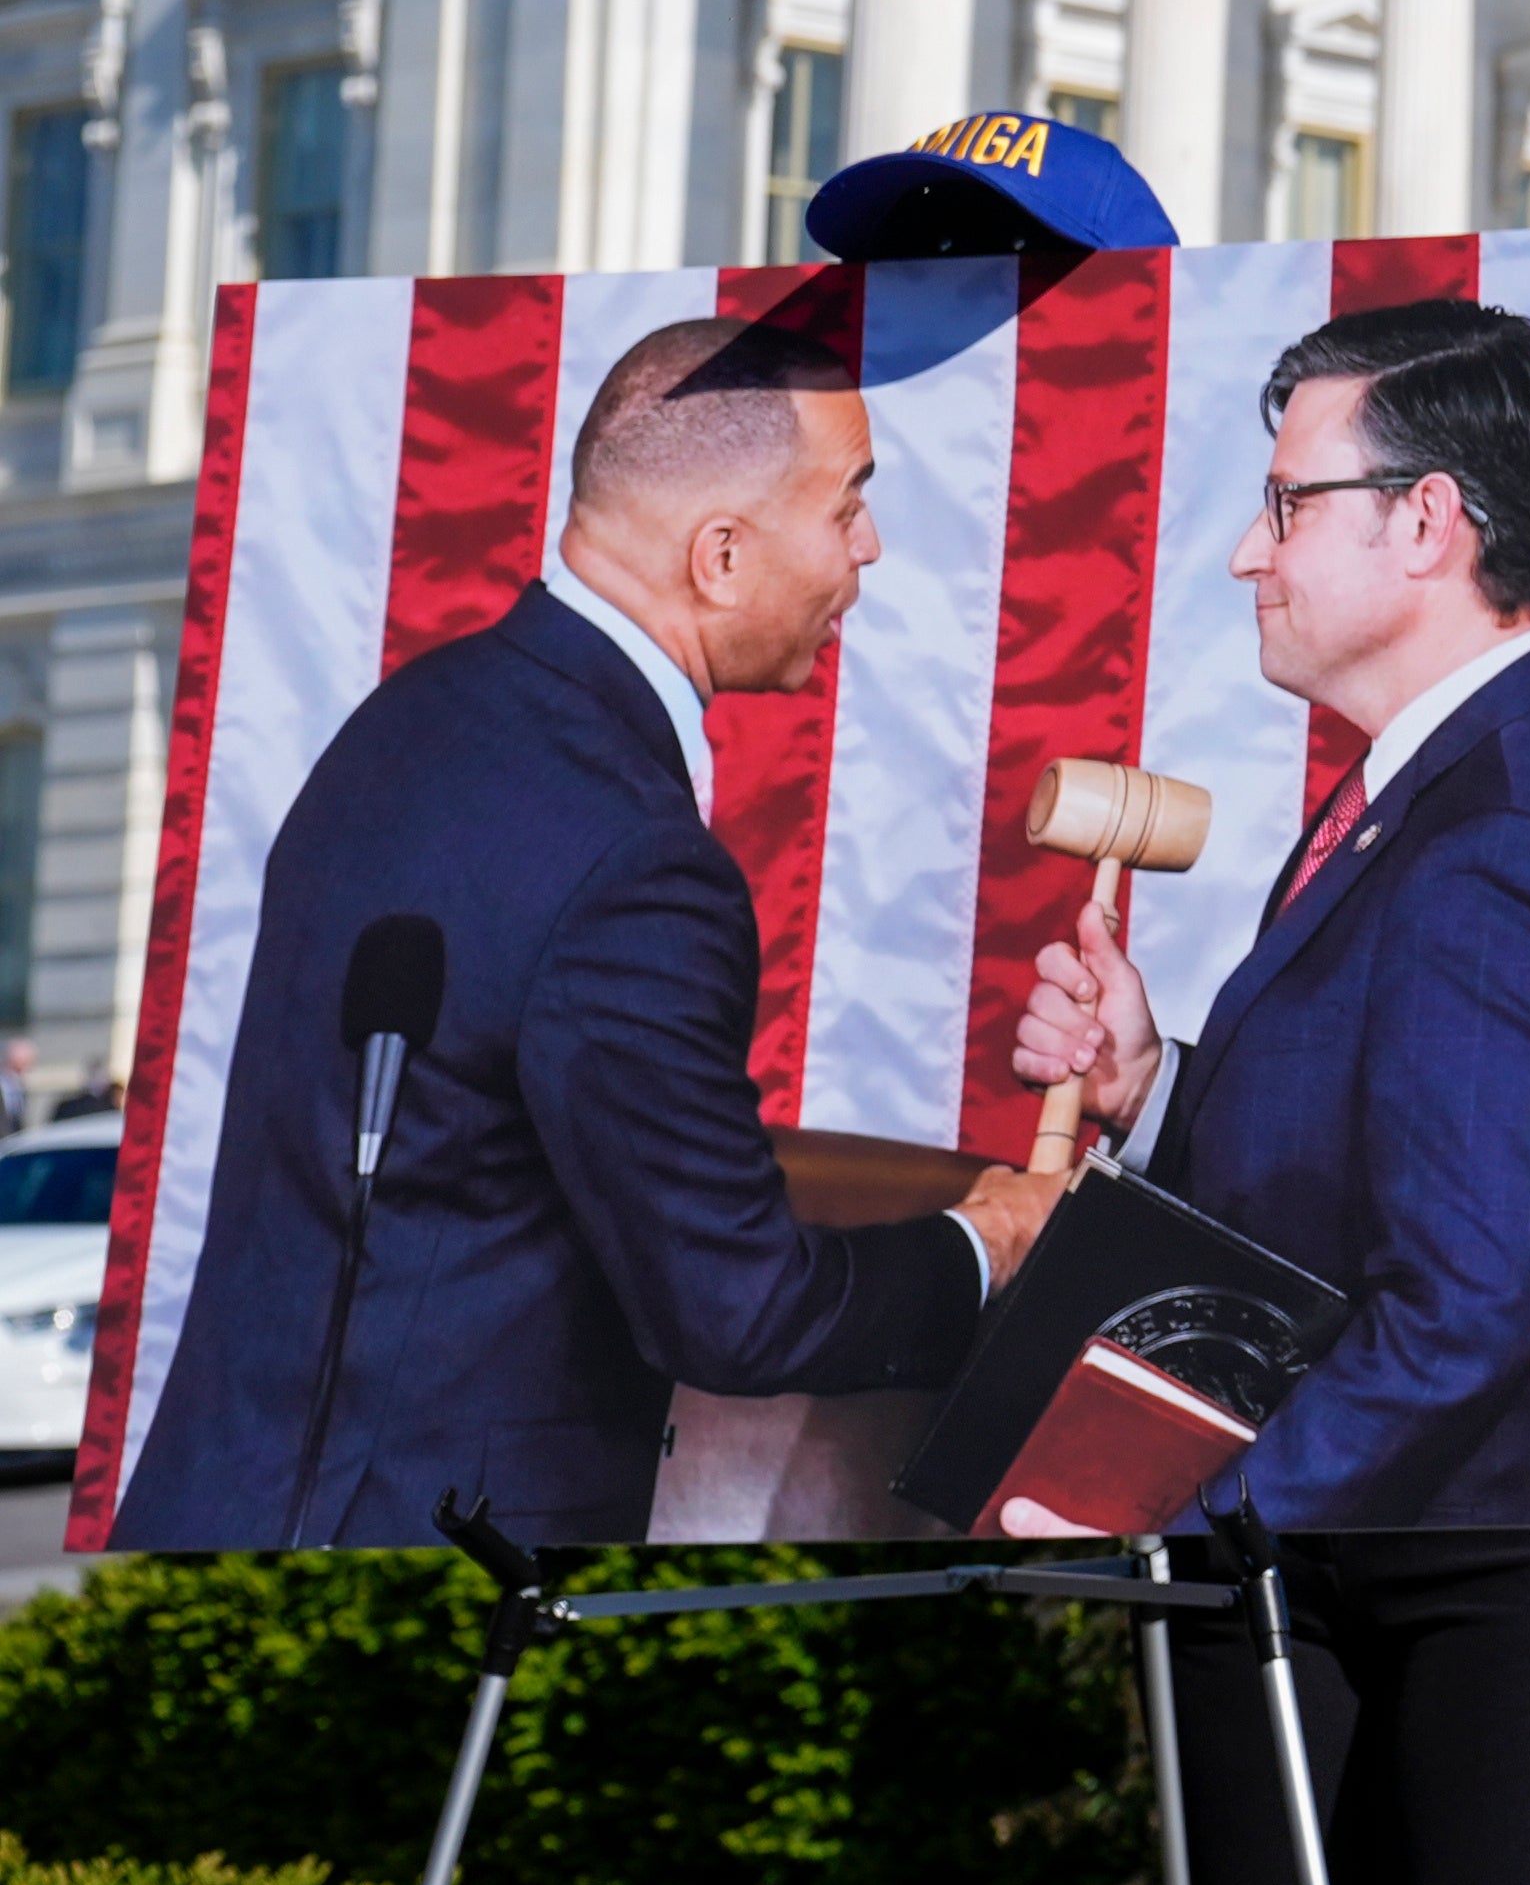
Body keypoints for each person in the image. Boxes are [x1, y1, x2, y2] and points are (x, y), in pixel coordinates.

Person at [1011, 287, 1530, 1885]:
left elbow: (1467, 1303)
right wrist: (1155, 1085)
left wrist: (1184, 1501)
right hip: (1330, 1587)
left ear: (1427, 522)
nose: (1247, 554)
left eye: (1283, 503)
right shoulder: (1423, 787)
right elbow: (1369, 1178)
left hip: (1497, 1612)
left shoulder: (1513, 827)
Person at [115, 317, 1053, 1549]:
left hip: (215, 1508)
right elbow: (735, 1312)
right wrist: (982, 1242)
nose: (868, 548)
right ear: (720, 555)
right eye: (848, 505)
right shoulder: (636, 855)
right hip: (433, 1559)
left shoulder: (402, 723)